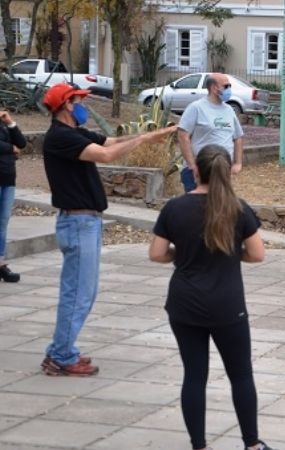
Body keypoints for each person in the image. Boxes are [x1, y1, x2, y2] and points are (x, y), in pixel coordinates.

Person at [40, 83, 175, 377]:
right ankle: (62, 356)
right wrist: (144, 140)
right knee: (78, 294)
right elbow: (106, 156)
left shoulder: (75, 134)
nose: (83, 106)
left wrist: (150, 136)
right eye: (78, 101)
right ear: (65, 105)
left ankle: (60, 349)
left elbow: (110, 142)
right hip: (77, 223)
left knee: (80, 292)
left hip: (85, 222)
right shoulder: (60, 137)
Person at [149, 144, 273, 450]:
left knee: (194, 376)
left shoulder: (174, 209)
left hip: (184, 304)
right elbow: (257, 254)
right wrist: (230, 255)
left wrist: (182, 255)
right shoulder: (238, 208)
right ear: (229, 171)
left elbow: (156, 253)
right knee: (241, 375)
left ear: (195, 170)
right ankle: (252, 445)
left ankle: (200, 446)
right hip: (227, 305)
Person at [177, 73, 244, 192]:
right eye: (226, 86)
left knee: (218, 208)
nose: (229, 89)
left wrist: (237, 163)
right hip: (199, 172)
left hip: (222, 171)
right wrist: (192, 166)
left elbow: (238, 137)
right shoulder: (196, 108)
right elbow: (183, 135)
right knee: (197, 208)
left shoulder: (229, 110)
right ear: (214, 88)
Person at [0, 110, 26, 283]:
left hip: (8, 178)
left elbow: (22, 143)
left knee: (3, 222)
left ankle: (0, 261)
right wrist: (11, 149)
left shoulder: (4, 125)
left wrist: (10, 123)